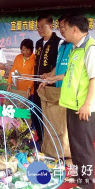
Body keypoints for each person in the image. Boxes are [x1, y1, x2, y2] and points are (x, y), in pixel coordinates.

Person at [46, 14, 95, 189]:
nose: (62, 32)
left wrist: (87, 104)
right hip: (73, 105)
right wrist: (52, 78)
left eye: (65, 28)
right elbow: (69, 74)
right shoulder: (75, 48)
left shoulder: (91, 49)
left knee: (83, 148)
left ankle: (86, 186)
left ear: (74, 29)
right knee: (75, 146)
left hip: (84, 107)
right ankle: (81, 176)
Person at [33, 15, 61, 144]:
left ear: (51, 26)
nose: (40, 30)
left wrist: (50, 75)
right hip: (37, 83)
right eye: (38, 27)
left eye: (42, 26)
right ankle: (40, 138)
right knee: (36, 111)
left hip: (50, 85)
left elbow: (59, 64)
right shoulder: (38, 43)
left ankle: (50, 142)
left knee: (48, 113)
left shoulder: (59, 42)